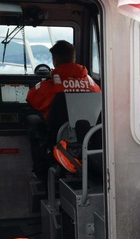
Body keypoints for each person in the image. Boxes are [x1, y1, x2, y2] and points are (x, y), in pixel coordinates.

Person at [25, 40, 101, 177]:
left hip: (59, 137)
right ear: (74, 58)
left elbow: (31, 99)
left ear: (55, 61)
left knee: (34, 122)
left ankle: (40, 170)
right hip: (87, 136)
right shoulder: (91, 83)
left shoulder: (51, 84)